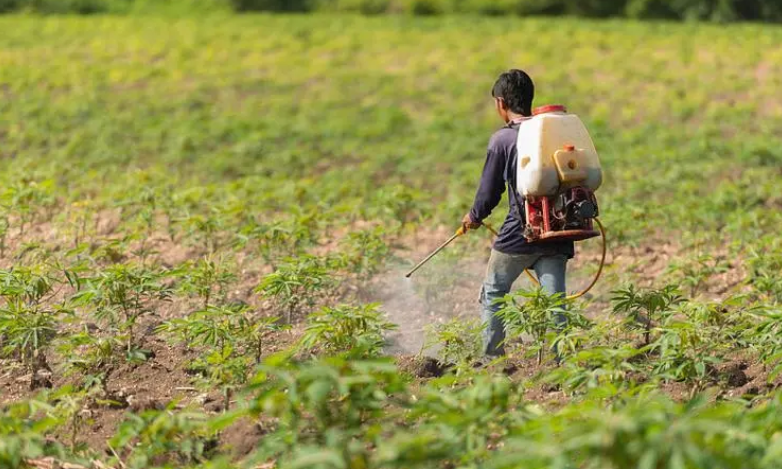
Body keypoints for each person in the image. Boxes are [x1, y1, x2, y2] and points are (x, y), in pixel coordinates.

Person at [462, 69, 574, 358]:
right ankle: (564, 362)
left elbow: (489, 191)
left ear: (501, 103)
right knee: (555, 302)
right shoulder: (551, 135)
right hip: (559, 230)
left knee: (495, 291)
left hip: (521, 232)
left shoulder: (503, 140)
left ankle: (491, 359)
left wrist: (474, 216)